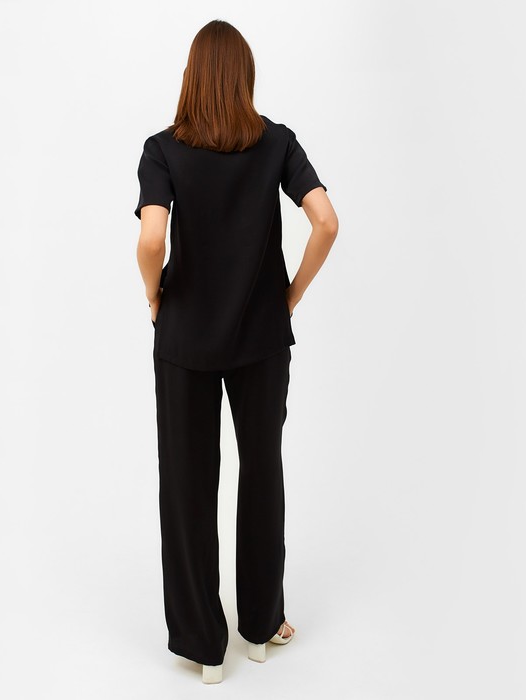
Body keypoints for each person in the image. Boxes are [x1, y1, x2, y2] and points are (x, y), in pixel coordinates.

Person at [134, 19, 339, 684]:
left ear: (191, 77)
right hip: (261, 337)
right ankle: (260, 626)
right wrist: (290, 295)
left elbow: (151, 240)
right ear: (245, 76)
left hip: (185, 337)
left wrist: (154, 295)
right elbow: (326, 221)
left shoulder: (162, 150)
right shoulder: (277, 141)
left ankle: (202, 646)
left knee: (186, 485)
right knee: (262, 473)